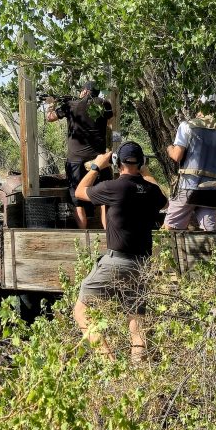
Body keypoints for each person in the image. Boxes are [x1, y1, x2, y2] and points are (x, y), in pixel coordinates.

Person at [73, 142, 165, 360]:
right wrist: (145, 172)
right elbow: (162, 198)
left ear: (117, 163)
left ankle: (109, 363)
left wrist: (96, 167)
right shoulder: (152, 191)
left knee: (81, 310)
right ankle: (138, 370)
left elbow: (79, 191)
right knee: (136, 321)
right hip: (142, 264)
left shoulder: (114, 187)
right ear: (142, 163)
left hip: (117, 262)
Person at [47, 80, 113, 226]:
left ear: (84, 91)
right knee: (105, 201)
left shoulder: (71, 105)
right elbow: (110, 120)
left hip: (75, 160)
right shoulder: (104, 104)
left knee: (77, 200)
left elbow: (50, 118)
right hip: (99, 159)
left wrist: (51, 105)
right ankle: (108, 236)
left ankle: (83, 238)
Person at [166, 98, 216, 231]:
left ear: (198, 107)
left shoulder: (187, 126)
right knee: (209, 230)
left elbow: (176, 156)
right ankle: (213, 252)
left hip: (189, 185)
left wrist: (169, 148)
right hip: (213, 188)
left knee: (171, 226)